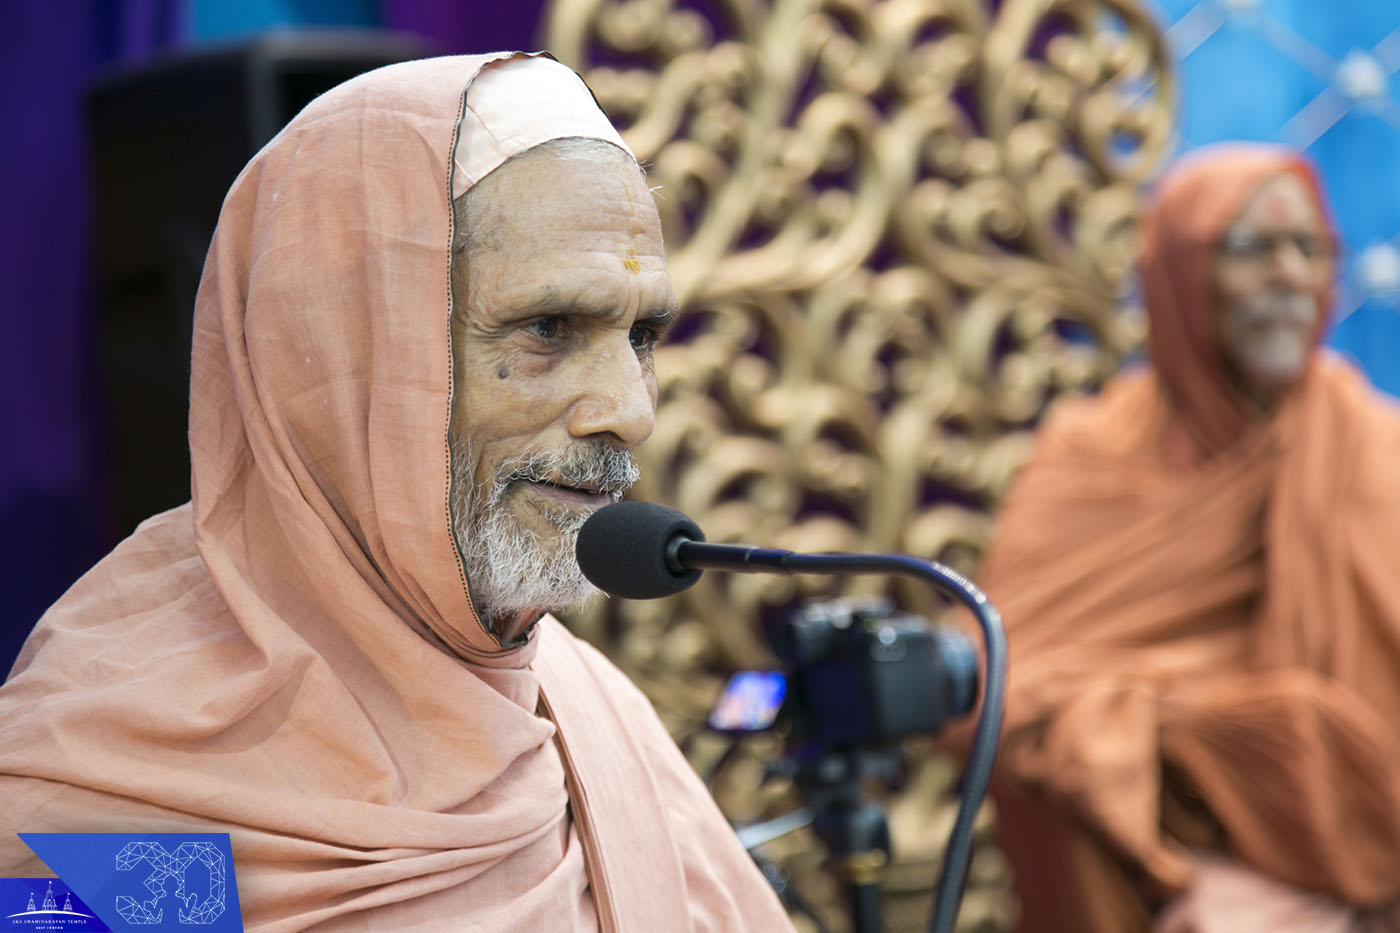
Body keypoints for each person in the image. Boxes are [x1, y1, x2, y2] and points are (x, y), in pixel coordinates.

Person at [0, 52, 794, 931]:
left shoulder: (590, 715)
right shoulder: (120, 761)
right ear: (352, 354)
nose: (630, 411)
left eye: (641, 334)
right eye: (548, 328)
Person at [971, 144, 1400, 931]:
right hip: (1155, 848)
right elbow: (997, 682)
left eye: (1310, 248)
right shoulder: (1088, 455)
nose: (1291, 277)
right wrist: (1181, 726)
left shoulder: (1375, 449)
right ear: (1177, 274)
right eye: (1251, 248)